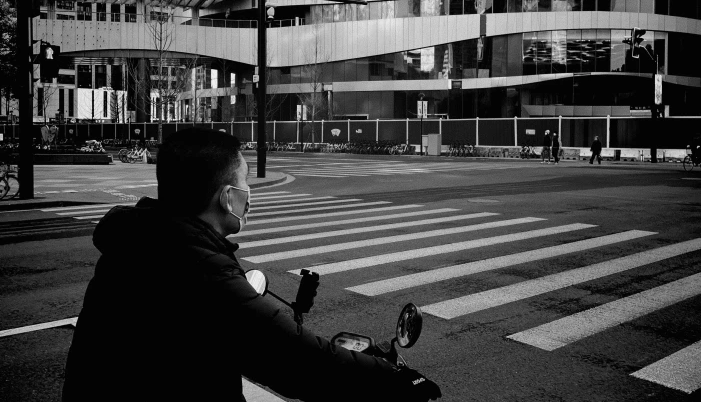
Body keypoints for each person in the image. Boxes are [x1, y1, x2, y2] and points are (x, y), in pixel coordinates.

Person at [62, 128, 441, 402]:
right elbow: (295, 359)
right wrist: (395, 380)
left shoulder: (137, 244)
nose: (249, 196)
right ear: (227, 197)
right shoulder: (196, 268)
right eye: (244, 184)